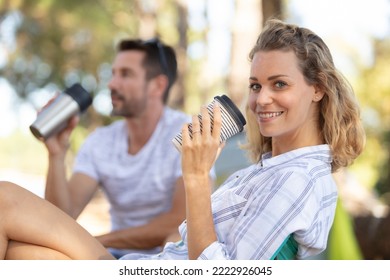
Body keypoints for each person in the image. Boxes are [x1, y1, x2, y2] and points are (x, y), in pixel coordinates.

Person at [0, 19, 365, 260]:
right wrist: (56, 153)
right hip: (142, 263)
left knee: (4, 199)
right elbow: (60, 217)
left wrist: (194, 177)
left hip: (144, 266)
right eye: (255, 86)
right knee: (18, 254)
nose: (260, 99)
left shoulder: (298, 180)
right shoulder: (270, 170)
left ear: (317, 89)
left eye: (279, 84)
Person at [43, 38, 193, 258]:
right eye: (113, 74)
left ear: (157, 85)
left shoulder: (187, 133)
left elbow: (181, 219)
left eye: (125, 74)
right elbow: (60, 219)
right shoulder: (101, 142)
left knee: (174, 238)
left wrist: (96, 241)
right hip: (111, 256)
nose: (112, 84)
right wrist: (56, 155)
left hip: (167, 257)